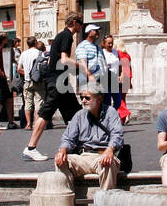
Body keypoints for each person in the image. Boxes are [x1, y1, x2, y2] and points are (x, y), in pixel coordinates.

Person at [24, 14, 83, 161]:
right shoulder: (67, 36)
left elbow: (53, 59)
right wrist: (81, 66)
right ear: (75, 23)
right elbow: (64, 60)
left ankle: (76, 145)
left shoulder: (60, 36)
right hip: (57, 81)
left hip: (59, 80)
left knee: (74, 112)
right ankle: (31, 147)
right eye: (80, 24)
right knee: (46, 113)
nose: (81, 27)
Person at [55, 86, 123, 194]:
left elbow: (117, 135)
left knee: (108, 163)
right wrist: (62, 150)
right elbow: (68, 138)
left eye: (87, 98)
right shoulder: (79, 115)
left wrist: (110, 150)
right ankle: (67, 201)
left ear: (99, 99)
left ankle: (106, 201)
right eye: (81, 97)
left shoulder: (111, 112)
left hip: (103, 155)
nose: (83, 101)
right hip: (84, 156)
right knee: (62, 161)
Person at [18, 37, 45, 131]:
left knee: (28, 103)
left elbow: (18, 68)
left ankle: (28, 124)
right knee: (39, 102)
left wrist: (27, 74)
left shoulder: (23, 54)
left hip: (27, 81)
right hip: (38, 81)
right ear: (36, 42)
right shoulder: (40, 53)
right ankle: (36, 124)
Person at [75, 23, 107, 97]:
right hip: (88, 79)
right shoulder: (82, 46)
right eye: (96, 30)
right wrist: (90, 76)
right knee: (89, 102)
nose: (98, 32)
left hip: (99, 80)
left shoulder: (98, 48)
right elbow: (82, 63)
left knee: (101, 103)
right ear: (89, 33)